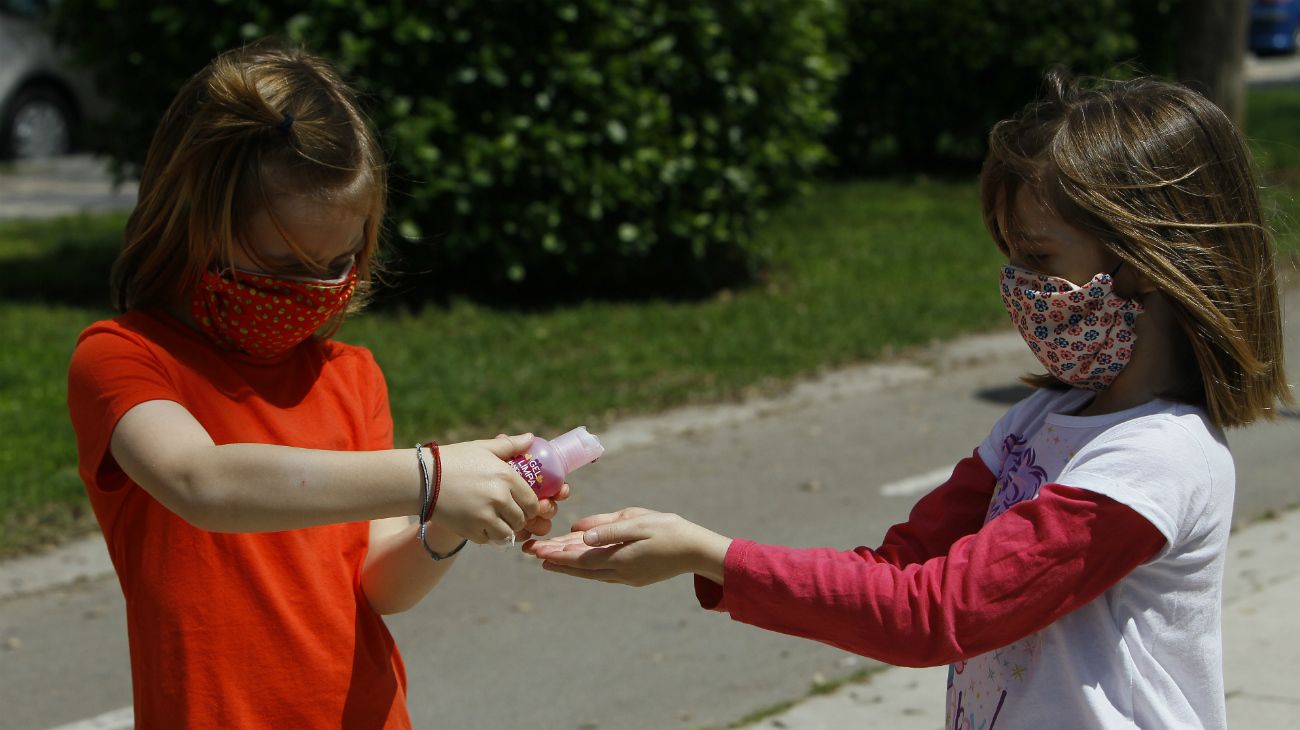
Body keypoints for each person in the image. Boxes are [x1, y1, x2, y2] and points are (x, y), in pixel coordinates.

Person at [525, 69, 1293, 729]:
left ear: (1149, 262)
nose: (1018, 286)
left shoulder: (1154, 462)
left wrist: (711, 554)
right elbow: (897, 570)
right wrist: (712, 564)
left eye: (1037, 257)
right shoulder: (1040, 422)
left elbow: (940, 613)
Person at [66, 41, 567, 729]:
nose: (316, 289)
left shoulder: (351, 377)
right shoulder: (124, 359)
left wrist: (449, 516)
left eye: (339, 262)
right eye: (284, 263)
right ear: (196, 221)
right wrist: (429, 474)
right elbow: (202, 483)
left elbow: (377, 586)